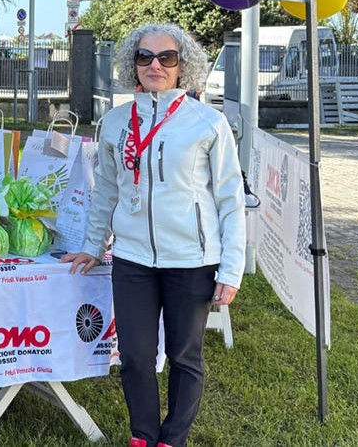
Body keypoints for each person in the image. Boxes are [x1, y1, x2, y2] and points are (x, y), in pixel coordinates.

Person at [62, 23, 244, 447]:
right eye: (145, 57)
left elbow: (230, 200)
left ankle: (173, 438)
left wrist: (231, 268)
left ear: (183, 66)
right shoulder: (114, 122)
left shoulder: (208, 123)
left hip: (193, 260)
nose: (155, 65)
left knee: (184, 355)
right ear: (133, 65)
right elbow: (105, 188)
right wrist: (92, 245)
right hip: (132, 259)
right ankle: (143, 435)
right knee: (135, 356)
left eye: (167, 58)